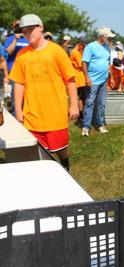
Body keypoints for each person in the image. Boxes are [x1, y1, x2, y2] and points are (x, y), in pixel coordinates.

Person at [9, 14, 79, 171]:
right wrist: (19, 112)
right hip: (32, 115)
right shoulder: (22, 55)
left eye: (30, 30)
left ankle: (65, 163)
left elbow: (70, 80)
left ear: (40, 27)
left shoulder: (57, 51)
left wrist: (74, 104)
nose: (27, 34)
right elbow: (19, 84)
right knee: (37, 152)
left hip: (56, 113)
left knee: (60, 149)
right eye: (24, 31)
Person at [81, 27, 115, 136]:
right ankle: (86, 126)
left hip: (104, 80)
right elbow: (84, 63)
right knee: (90, 102)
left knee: (101, 103)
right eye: (108, 37)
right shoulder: (90, 47)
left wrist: (112, 77)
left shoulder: (107, 48)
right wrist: (87, 78)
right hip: (93, 80)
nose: (109, 39)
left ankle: (100, 124)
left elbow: (108, 64)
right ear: (102, 36)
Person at [4, 19, 29, 114]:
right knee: (16, 99)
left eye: (21, 27)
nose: (19, 29)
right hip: (15, 73)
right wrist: (15, 39)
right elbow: (8, 52)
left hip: (28, 72)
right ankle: (17, 118)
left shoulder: (28, 38)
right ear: (14, 28)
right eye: (17, 27)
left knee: (27, 98)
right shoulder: (10, 39)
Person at [70, 36, 89, 121]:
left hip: (81, 78)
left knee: (84, 97)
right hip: (79, 79)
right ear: (80, 44)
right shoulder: (75, 53)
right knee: (82, 98)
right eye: (84, 45)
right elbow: (82, 65)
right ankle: (81, 115)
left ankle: (83, 113)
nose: (85, 47)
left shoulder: (78, 51)